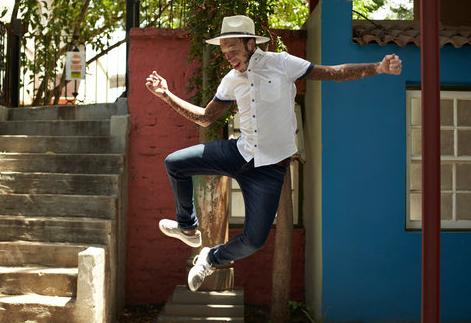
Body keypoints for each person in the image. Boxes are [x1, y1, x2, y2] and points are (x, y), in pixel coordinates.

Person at [145, 15, 402, 292]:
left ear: (251, 44)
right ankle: (188, 228)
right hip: (239, 152)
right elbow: (207, 118)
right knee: (175, 163)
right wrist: (166, 95)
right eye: (224, 51)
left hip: (269, 171)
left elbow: (335, 72)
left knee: (254, 241)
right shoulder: (231, 80)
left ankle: (210, 257)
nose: (229, 57)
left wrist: (378, 67)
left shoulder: (282, 63)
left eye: (234, 50)